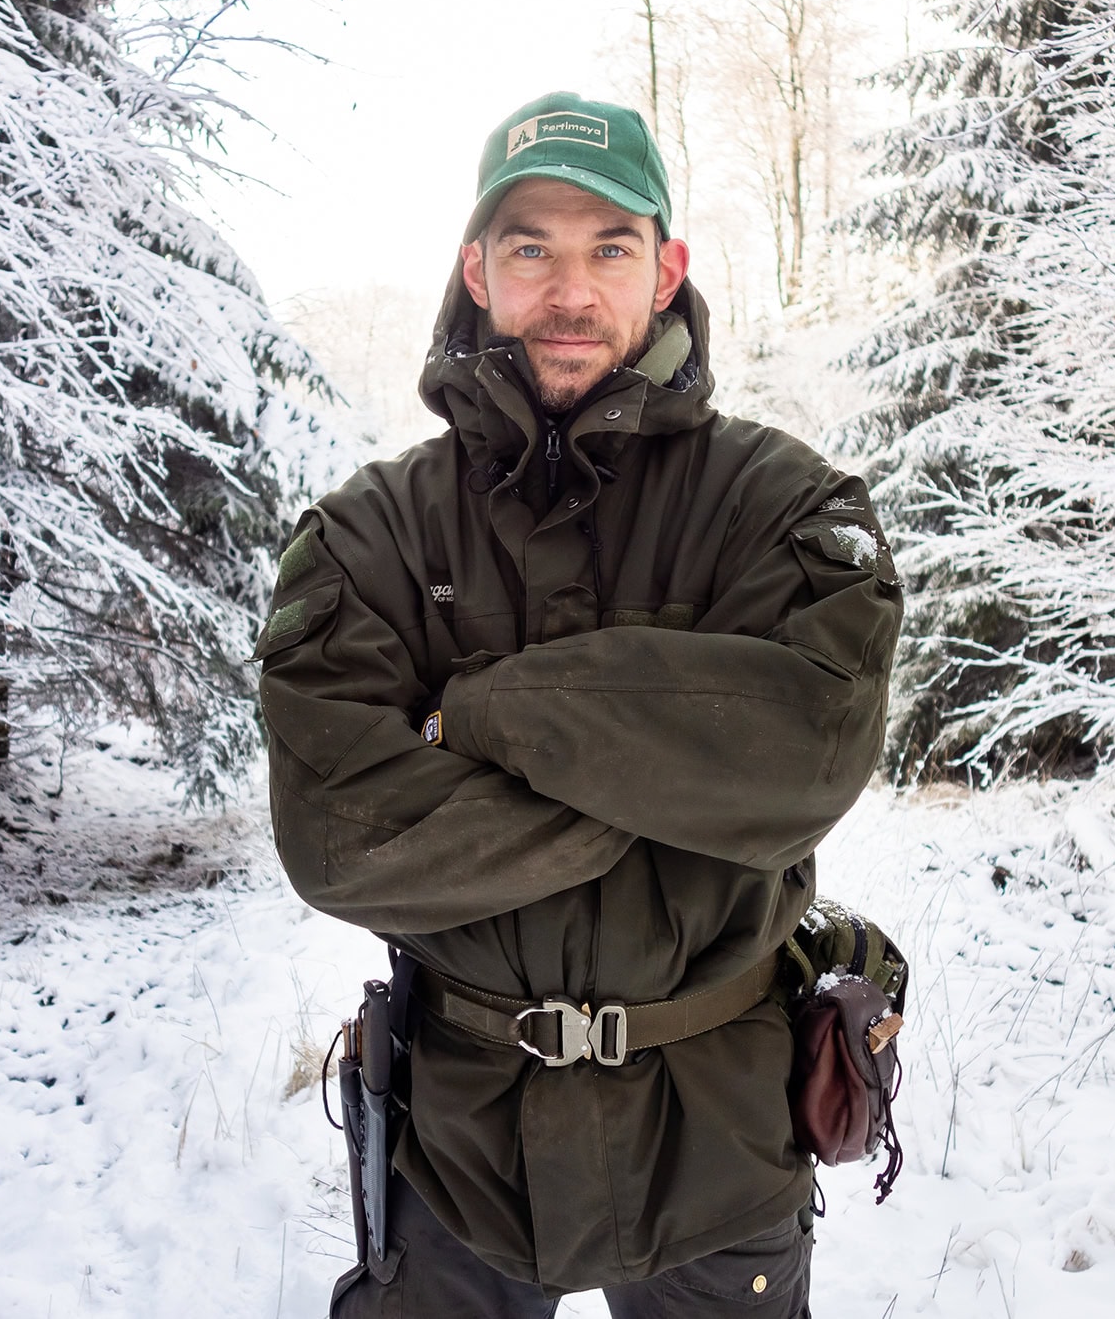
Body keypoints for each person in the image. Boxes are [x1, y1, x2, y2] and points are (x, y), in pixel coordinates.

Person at [255, 92, 902, 1318]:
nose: (569, 289)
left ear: (665, 269)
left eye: (607, 247)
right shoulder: (367, 534)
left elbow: (804, 752)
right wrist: (665, 786)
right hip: (457, 1151)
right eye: (530, 248)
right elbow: (341, 836)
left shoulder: (780, 502)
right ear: (475, 270)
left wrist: (474, 718)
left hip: (718, 1141)